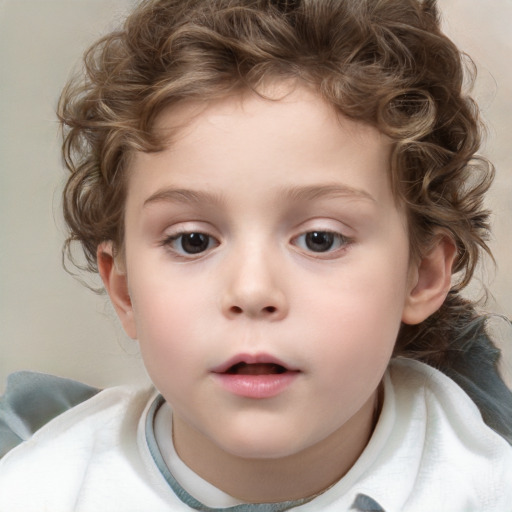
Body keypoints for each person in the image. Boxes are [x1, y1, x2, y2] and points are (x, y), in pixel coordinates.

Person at [0, 0, 511, 510]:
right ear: (123, 288)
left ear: (421, 275)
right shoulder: (37, 492)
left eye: (320, 239)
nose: (251, 291)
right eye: (192, 241)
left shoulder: (485, 488)